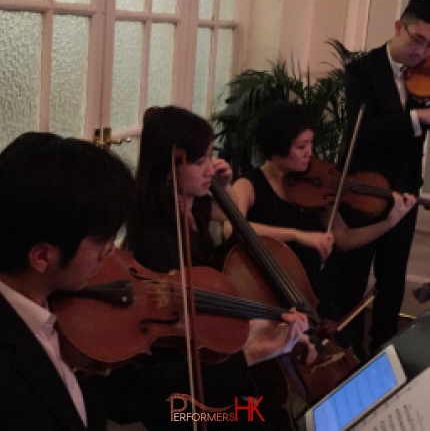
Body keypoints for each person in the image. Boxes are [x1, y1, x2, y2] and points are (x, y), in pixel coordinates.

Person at [0, 131, 314, 431]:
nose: (112, 252)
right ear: (42, 256)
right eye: (101, 242)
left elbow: (129, 393)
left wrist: (248, 351)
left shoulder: (57, 308)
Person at [123, 105, 316, 429]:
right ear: (170, 169)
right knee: (266, 420)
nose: (210, 168)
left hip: (213, 364)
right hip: (187, 396)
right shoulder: (155, 239)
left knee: (274, 417)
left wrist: (225, 190)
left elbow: (231, 248)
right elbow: (190, 326)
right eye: (200, 162)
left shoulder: (195, 211)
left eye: (210, 156)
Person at [225, 100, 416, 355]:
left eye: (311, 145)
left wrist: (390, 222)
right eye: (301, 147)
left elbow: (345, 238)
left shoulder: (317, 190)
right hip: (267, 295)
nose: (310, 153)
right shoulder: (249, 185)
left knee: (351, 354)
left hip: (312, 295)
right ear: (277, 148)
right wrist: (297, 235)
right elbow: (231, 228)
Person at [337, 0, 430, 353]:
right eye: (417, 40)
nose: (421, 53)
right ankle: (346, 355)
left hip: (405, 192)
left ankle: (384, 357)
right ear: (398, 27)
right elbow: (364, 135)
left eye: (429, 46)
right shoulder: (361, 72)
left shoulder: (425, 75)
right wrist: (416, 117)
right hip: (364, 191)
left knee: (392, 282)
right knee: (354, 277)